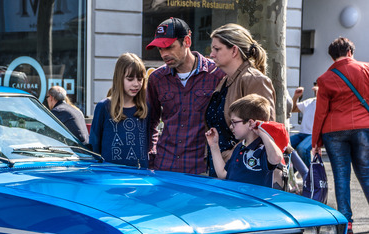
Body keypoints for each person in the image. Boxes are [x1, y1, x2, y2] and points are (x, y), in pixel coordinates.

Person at [146, 17, 225, 174]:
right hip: (164, 167)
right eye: (160, 49)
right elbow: (150, 122)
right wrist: (151, 158)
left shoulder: (216, 74)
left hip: (201, 169)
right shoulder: (157, 78)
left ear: (187, 41)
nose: (164, 54)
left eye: (169, 47)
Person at [312, 37, 369, 234]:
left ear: (332, 56)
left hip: (333, 131)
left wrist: (315, 142)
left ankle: (347, 222)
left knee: (341, 176)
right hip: (363, 126)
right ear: (350, 52)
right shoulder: (366, 69)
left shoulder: (324, 79)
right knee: (367, 173)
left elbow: (320, 113)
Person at [205, 23, 276, 175]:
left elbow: (265, 130)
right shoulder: (225, 81)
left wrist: (235, 156)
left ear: (234, 50)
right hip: (224, 168)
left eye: (217, 49)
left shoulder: (254, 80)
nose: (211, 54)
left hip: (243, 172)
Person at [206, 94, 283, 187]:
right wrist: (214, 146)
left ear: (250, 122)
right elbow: (223, 174)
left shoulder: (263, 149)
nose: (231, 127)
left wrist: (262, 132)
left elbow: (276, 158)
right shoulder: (239, 147)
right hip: (235, 200)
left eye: (234, 122)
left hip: (254, 201)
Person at [88, 53, 149, 168]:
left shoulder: (145, 108)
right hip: (109, 176)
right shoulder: (103, 107)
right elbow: (94, 146)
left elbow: (148, 142)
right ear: (119, 78)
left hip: (140, 177)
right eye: (130, 79)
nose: (136, 84)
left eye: (140, 79)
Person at [290, 82, 318, 170]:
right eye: (315, 84)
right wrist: (296, 97)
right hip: (302, 134)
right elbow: (293, 109)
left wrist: (320, 94)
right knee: (285, 144)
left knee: (302, 148)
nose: (315, 87)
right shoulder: (309, 101)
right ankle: (292, 173)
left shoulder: (326, 101)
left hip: (314, 134)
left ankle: (309, 175)